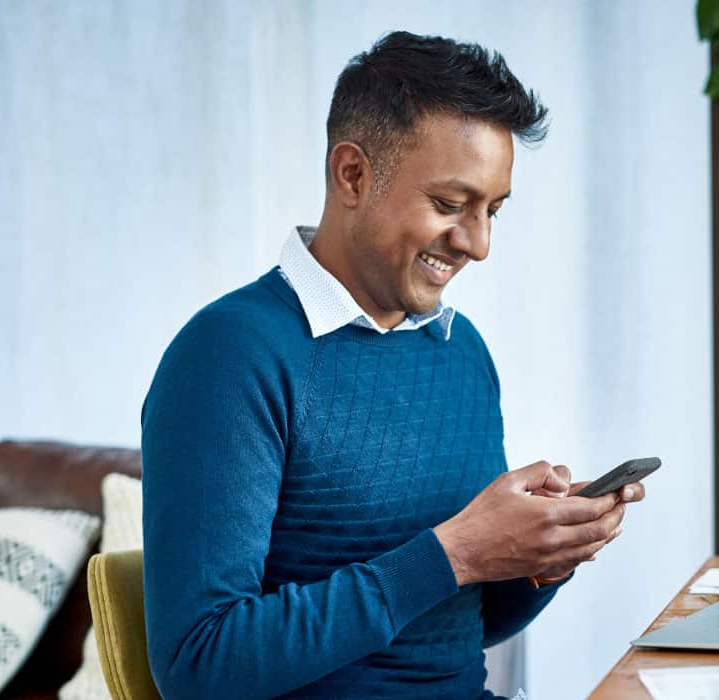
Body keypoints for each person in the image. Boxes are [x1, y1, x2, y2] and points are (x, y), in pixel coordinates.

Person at [141, 30, 645, 700]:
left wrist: (540, 557)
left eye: (492, 210)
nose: (478, 243)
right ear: (352, 174)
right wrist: (456, 551)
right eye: (449, 205)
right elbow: (199, 665)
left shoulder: (460, 352)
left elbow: (458, 625)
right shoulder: (229, 357)